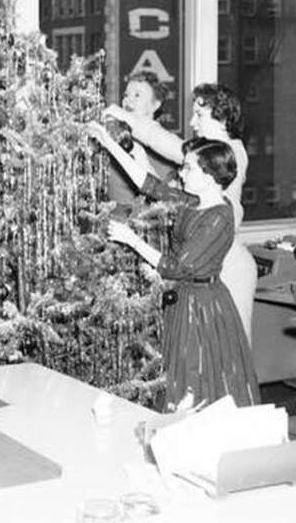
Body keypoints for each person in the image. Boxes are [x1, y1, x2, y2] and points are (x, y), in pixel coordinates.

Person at [90, 122, 260, 410]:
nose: (181, 173)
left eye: (189, 168)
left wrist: (131, 240)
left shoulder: (218, 217)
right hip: (186, 300)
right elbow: (148, 184)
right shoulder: (194, 202)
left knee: (198, 376)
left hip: (204, 308)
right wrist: (109, 143)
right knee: (182, 373)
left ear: (209, 176)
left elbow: (175, 267)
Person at [103, 83, 258, 343]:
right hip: (205, 261)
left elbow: (172, 146)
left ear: (221, 119)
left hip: (229, 264)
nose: (192, 122)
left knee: (233, 350)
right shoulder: (201, 166)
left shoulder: (229, 152)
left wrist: (127, 116)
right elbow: (161, 191)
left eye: (200, 115)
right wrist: (137, 153)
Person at [105, 71, 178, 207]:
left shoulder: (165, 147)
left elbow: (168, 201)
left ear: (156, 105)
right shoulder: (115, 138)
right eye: (126, 95)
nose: (128, 100)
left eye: (137, 95)